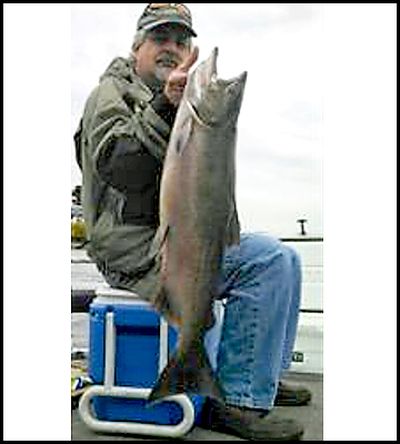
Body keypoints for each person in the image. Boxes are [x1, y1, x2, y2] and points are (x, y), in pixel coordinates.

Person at [74, 3, 311, 441]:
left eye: (181, 41)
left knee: (287, 260)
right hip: (130, 247)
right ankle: (237, 399)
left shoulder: (184, 101)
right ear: (137, 48)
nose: (171, 48)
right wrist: (165, 106)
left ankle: (260, 377)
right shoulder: (110, 94)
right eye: (160, 38)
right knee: (267, 262)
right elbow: (119, 166)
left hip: (172, 237)